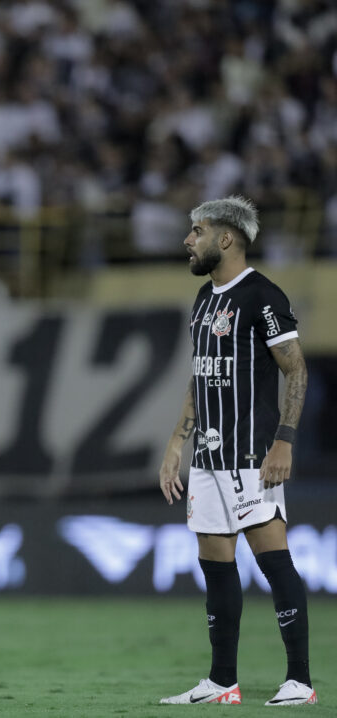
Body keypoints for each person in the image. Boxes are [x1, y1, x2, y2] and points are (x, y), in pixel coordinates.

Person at [158, 196, 316, 706]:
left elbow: (296, 369)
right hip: (208, 459)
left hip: (252, 457)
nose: (188, 240)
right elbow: (200, 375)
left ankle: (300, 682)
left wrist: (284, 441)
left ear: (226, 238)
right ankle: (222, 681)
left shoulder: (262, 296)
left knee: (274, 563)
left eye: (197, 231)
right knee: (215, 566)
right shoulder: (205, 298)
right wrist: (176, 443)